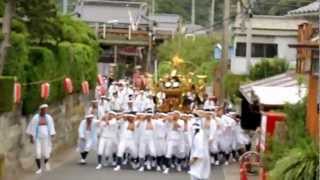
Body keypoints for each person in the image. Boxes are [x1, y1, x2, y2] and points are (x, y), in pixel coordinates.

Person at [26, 104, 56, 174]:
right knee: (37, 153)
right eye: (44, 109)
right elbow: (31, 127)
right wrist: (31, 137)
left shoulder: (48, 117)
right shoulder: (36, 118)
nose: (45, 111)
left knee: (46, 152)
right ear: (41, 110)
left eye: (46, 109)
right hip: (37, 138)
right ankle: (39, 168)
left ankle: (46, 163)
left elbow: (51, 126)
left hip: (46, 138)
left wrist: (52, 133)